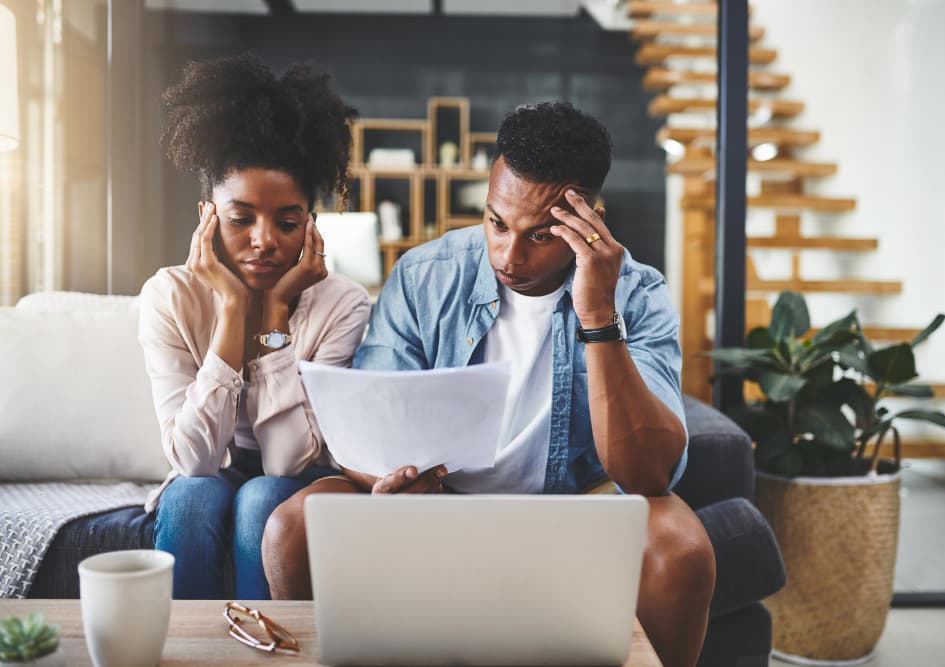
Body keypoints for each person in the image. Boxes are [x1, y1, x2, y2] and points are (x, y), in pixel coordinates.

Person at [261, 102, 715, 666]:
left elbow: (650, 474)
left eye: (540, 236)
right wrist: (393, 478)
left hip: (575, 507)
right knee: (292, 525)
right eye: (496, 222)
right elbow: (366, 429)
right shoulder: (426, 273)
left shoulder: (637, 294)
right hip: (440, 498)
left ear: (588, 219)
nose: (509, 254)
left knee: (684, 547)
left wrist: (598, 315)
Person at [139, 54, 370, 600]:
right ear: (207, 217)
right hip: (209, 471)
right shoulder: (169, 296)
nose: (264, 240)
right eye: (241, 219)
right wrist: (230, 310)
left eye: (286, 222)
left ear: (309, 224)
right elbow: (195, 460)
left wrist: (274, 318)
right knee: (194, 495)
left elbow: (288, 460)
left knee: (265, 496)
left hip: (296, 475)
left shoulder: (342, 304)